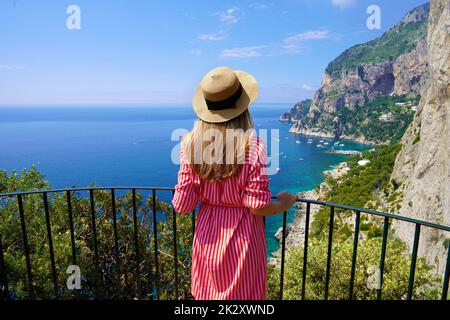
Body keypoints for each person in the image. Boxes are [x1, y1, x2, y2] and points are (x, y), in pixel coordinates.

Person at [172, 66, 297, 300]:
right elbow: (257, 206)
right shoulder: (253, 147)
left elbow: (183, 205)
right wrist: (284, 204)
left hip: (207, 239)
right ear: (243, 108)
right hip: (243, 242)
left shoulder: (188, 146)